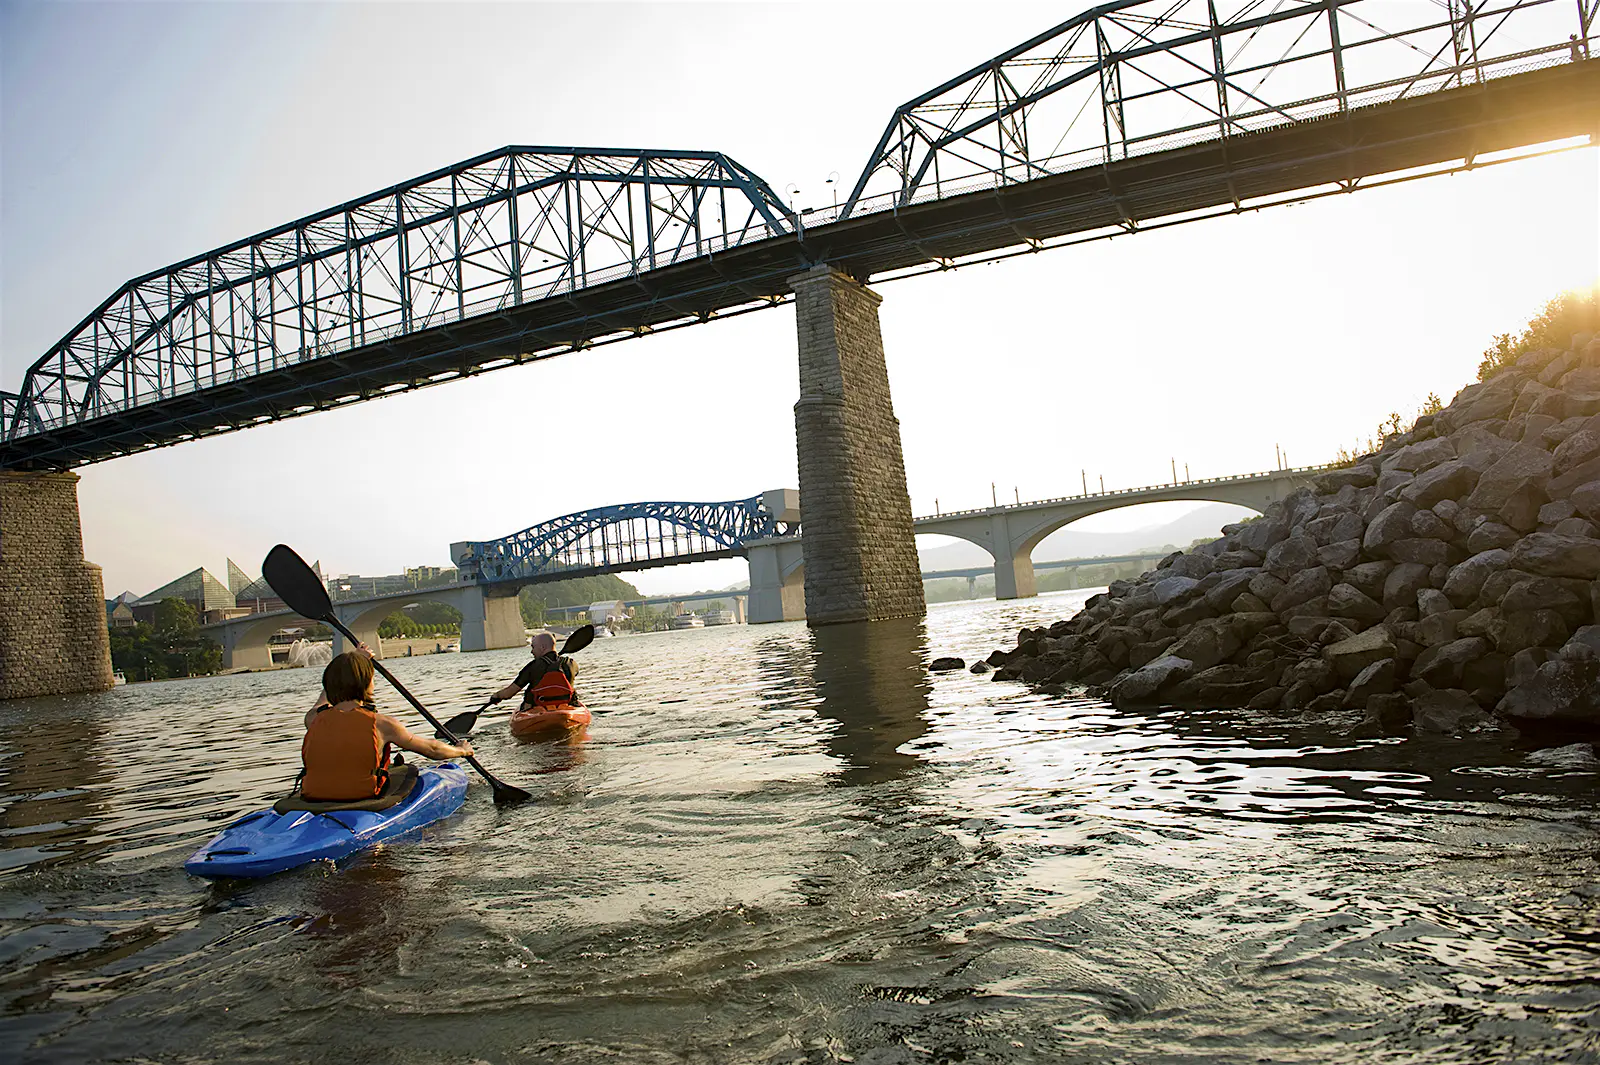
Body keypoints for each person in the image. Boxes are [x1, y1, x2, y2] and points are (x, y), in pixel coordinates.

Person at [300, 647, 473, 802]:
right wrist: (461, 750)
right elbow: (432, 749)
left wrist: (354, 663)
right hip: (362, 796)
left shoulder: (313, 719)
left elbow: (322, 701)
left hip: (314, 797)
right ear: (367, 684)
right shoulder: (382, 724)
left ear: (328, 686)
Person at [490, 632, 581, 710]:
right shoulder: (571, 663)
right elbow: (575, 672)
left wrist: (497, 696)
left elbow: (509, 693)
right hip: (566, 709)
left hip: (538, 709)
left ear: (542, 647)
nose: (532, 651)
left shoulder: (533, 666)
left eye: (533, 647)